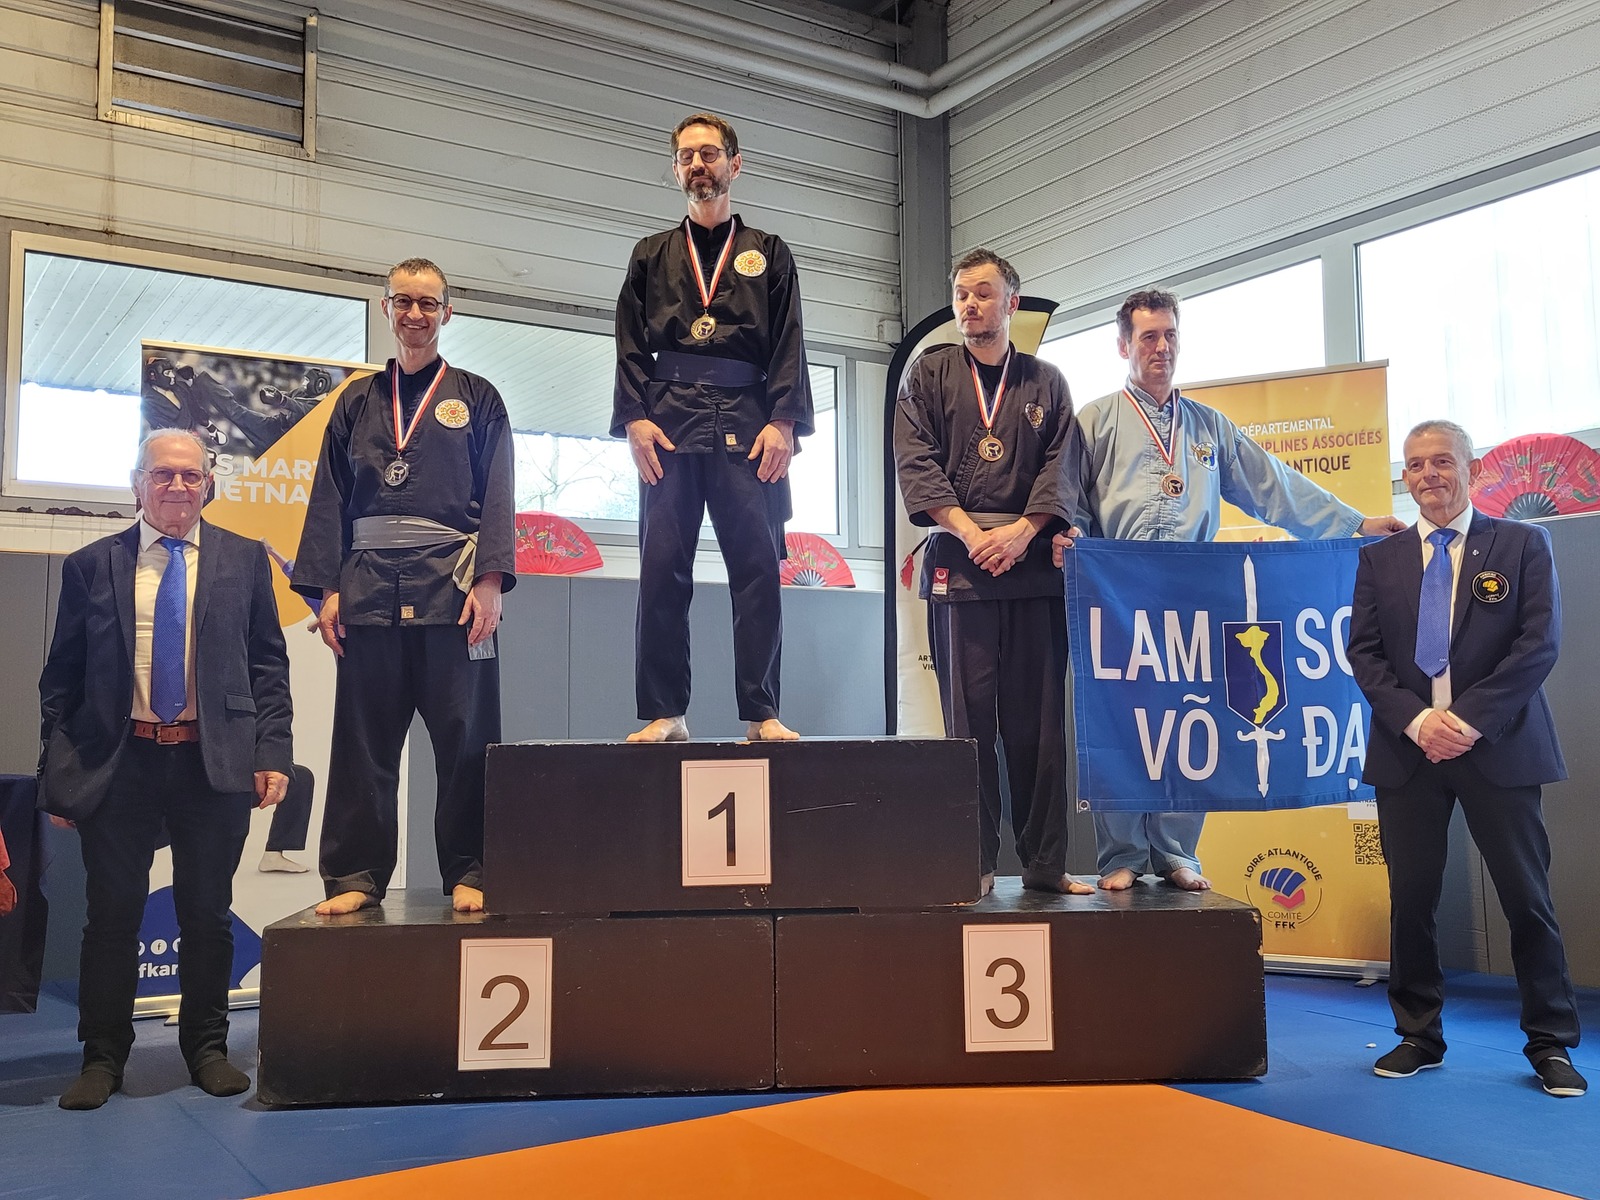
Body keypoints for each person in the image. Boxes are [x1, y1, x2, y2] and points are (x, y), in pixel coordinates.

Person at [1055, 288, 1404, 891]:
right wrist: (1074, 540)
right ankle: (1121, 856)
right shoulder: (1094, 420)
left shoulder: (1208, 427)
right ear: (1123, 346)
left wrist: (1354, 524)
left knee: (1194, 714)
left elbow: (1273, 487)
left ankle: (1176, 853)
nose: (1161, 347)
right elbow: (1070, 499)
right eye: (1148, 336)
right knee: (1123, 718)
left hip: (1194, 591)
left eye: (1170, 335)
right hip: (1118, 591)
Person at [38, 429, 293, 1110]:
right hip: (119, 763)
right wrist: (58, 774)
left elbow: (268, 665)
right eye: (163, 474)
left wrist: (272, 751)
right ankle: (102, 1057)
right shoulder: (91, 566)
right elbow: (60, 679)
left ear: (208, 483)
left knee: (206, 915)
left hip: (213, 764)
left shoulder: (245, 559)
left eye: (190, 475)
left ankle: (207, 1049)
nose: (178, 485)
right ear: (137, 484)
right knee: (111, 918)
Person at [1346, 419, 1584, 1097]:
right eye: (1417, 464)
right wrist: (1420, 721)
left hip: (1499, 746)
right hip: (1409, 751)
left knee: (1527, 899)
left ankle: (1550, 1043)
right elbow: (1364, 653)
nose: (1430, 474)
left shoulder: (1522, 544)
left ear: (1472, 470)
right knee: (1412, 899)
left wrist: (1468, 720)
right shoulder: (1378, 560)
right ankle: (1418, 1035)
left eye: (1443, 461)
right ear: (1406, 476)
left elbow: (1538, 643)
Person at [293, 257, 515, 916]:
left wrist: (491, 579)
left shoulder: (479, 398)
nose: (415, 314)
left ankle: (473, 869)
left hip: (456, 592)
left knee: (468, 741)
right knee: (362, 746)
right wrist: (326, 589)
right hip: (367, 591)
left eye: (428, 303)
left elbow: (498, 491)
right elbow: (329, 495)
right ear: (386, 308)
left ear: (448, 312)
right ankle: (355, 875)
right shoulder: (356, 402)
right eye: (404, 301)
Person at [895, 249, 1092, 897]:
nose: (970, 305)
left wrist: (1023, 532)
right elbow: (916, 460)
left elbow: (1062, 467)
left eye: (983, 293)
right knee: (968, 725)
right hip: (962, 565)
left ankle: (1045, 864)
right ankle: (974, 861)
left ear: (1011, 303)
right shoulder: (928, 373)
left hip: (1032, 567)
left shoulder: (1046, 382)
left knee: (1040, 726)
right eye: (961, 294)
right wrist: (975, 534)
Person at [613, 112, 814, 744]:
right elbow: (628, 343)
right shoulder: (650, 255)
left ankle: (762, 713)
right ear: (676, 169)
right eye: (687, 156)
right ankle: (666, 712)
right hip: (668, 424)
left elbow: (789, 340)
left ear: (735, 163)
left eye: (709, 153)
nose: (698, 164)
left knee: (757, 569)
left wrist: (784, 421)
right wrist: (634, 419)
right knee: (661, 570)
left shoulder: (769, 252)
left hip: (749, 426)